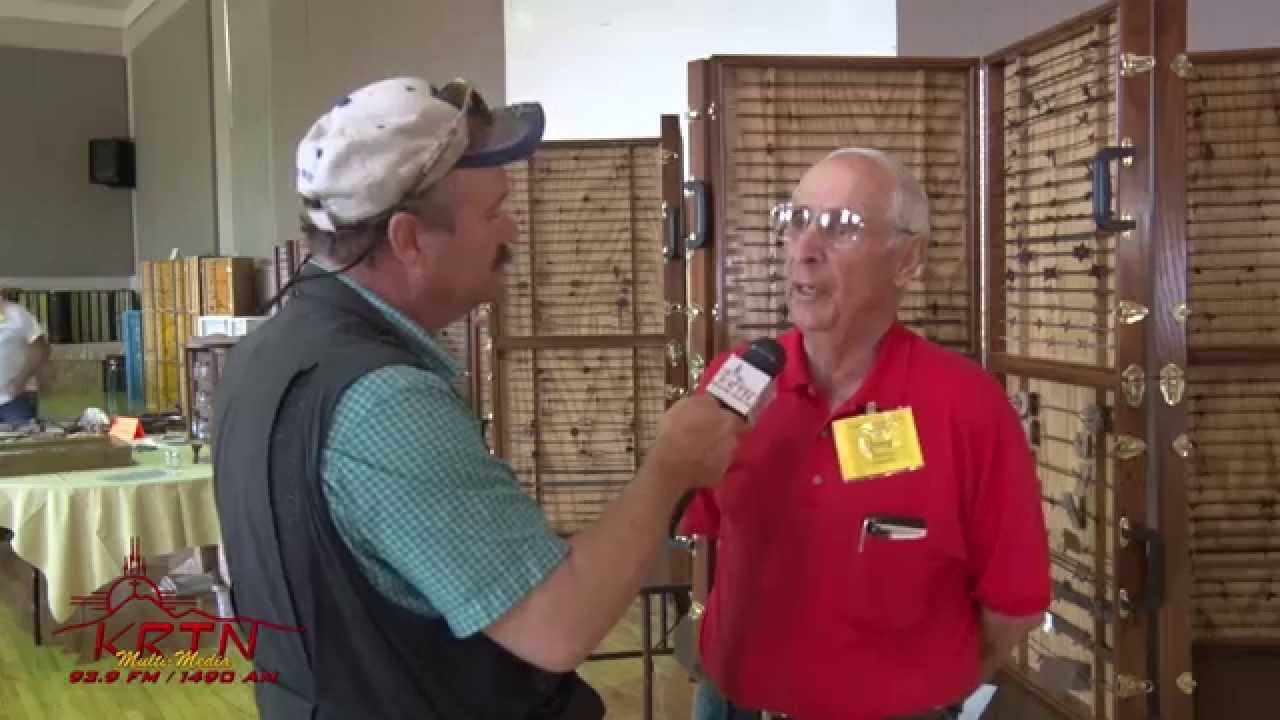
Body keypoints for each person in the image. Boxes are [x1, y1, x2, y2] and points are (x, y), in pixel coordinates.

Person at [211, 76, 745, 719]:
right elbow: (557, 625)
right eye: (493, 212)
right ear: (408, 240)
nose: (513, 228)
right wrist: (669, 468)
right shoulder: (384, 402)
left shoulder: (264, 357)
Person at [678, 148, 1052, 720]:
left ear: (908, 259)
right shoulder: (736, 380)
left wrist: (917, 692)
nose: (804, 250)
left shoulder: (968, 406)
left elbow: (1015, 606)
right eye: (796, 220)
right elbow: (707, 536)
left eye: (841, 228)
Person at [0, 291, 49, 425]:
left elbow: (41, 349)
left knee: (24, 443)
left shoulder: (16, 313)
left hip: (13, 400)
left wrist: (21, 379)